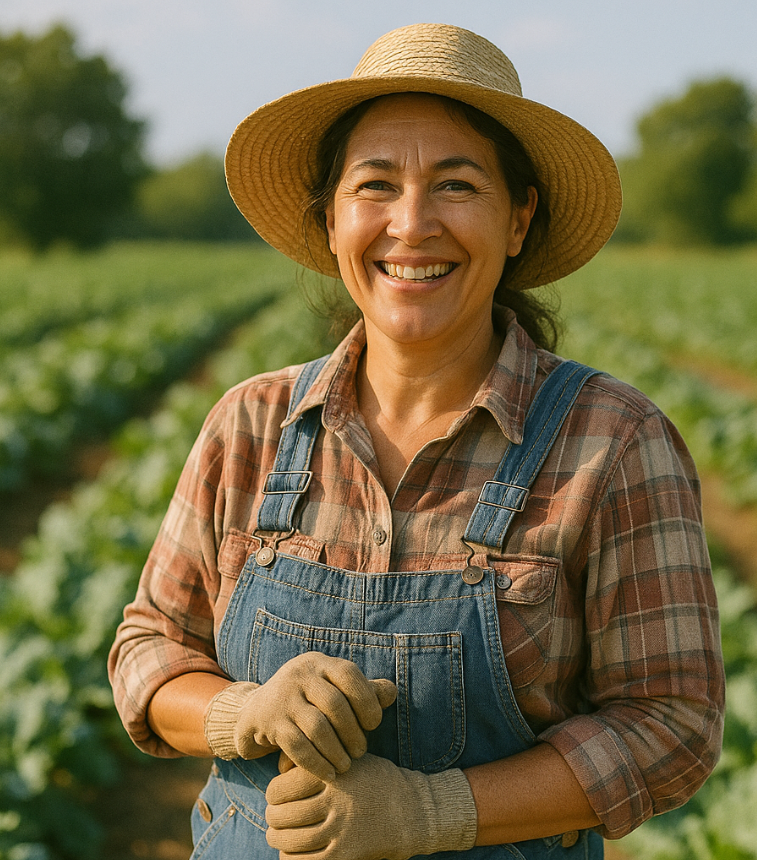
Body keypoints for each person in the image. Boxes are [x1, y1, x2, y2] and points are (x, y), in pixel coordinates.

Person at [108, 22, 724, 860]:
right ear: (330, 222)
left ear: (517, 220)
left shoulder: (610, 441)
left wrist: (434, 812)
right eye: (374, 186)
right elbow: (149, 648)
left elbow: (671, 726)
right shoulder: (249, 424)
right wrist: (241, 711)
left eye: (457, 185)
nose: (412, 223)